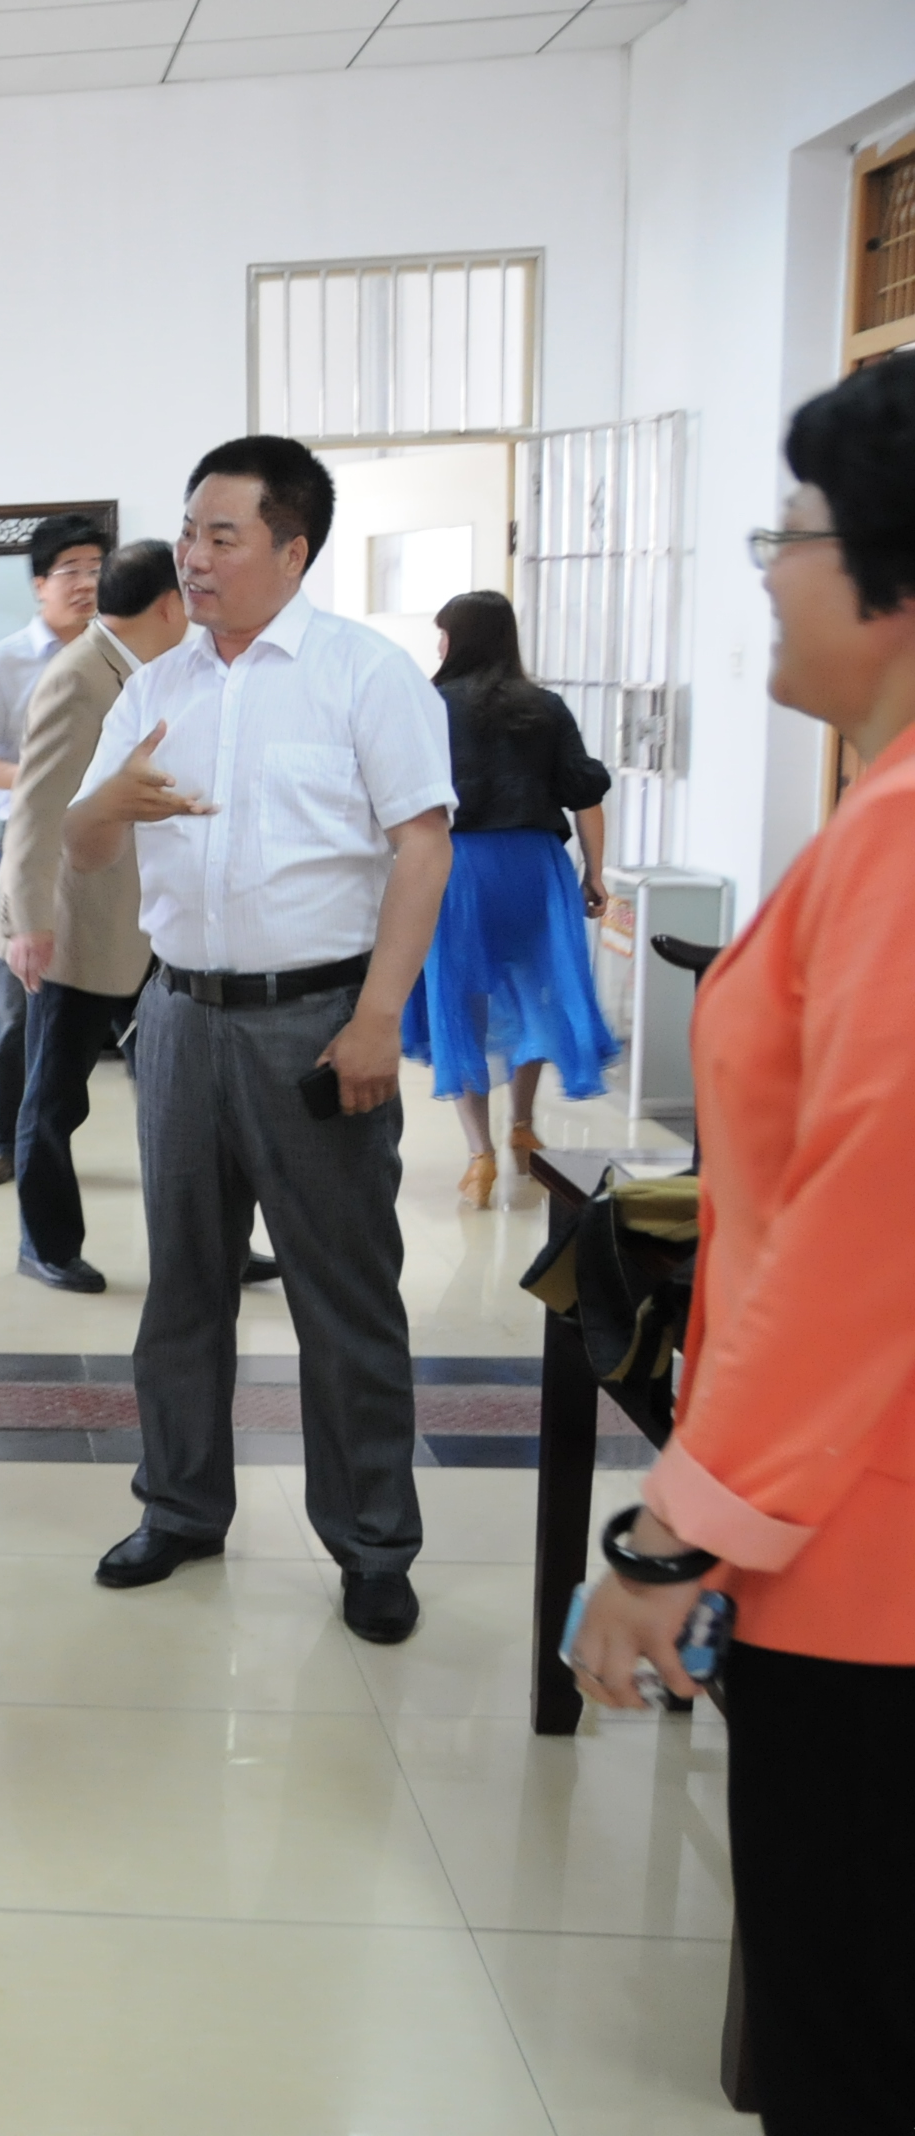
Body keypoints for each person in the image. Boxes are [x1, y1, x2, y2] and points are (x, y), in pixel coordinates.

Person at [568, 357, 915, 2133]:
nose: (768, 577)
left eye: (790, 536)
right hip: (839, 1524)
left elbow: (871, 1236)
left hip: (871, 1562)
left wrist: (672, 1531)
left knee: (849, 2034)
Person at [64, 435, 453, 1643]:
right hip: (180, 1016)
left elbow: (423, 847)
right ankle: (180, 1507)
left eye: (221, 536)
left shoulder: (364, 675)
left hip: (319, 1021)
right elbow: (85, 843)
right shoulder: (157, 686)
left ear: (293, 548)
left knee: (344, 1296)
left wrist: (378, 1019)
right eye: (189, 532)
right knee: (183, 1286)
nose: (193, 556)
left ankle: (373, 1544)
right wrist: (102, 807)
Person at [0, 538, 177, 1290]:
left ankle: (214, 1247)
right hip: (75, 929)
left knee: (179, 1095)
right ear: (170, 604)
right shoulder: (78, 677)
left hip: (152, 923)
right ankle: (45, 1244)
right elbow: (34, 811)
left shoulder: (151, 669)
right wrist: (28, 923)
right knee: (54, 1100)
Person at [397, 589, 617, 1205]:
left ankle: (480, 1156)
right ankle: (523, 1125)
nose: (438, 645)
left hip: (458, 869)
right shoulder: (545, 707)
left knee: (460, 999)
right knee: (534, 990)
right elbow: (585, 794)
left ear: (457, 640)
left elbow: (401, 798)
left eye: (443, 634)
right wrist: (595, 874)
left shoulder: (429, 705)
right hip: (534, 869)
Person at [0, 513, 109, 1187]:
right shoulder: (2, 664)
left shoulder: (121, 659)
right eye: (70, 571)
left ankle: (54, 1138)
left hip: (108, 850)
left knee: (97, 1003)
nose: (85, 583)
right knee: (19, 1006)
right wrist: (43, 777)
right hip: (25, 849)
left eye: (96, 570)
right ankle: (5, 1140)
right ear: (38, 585)